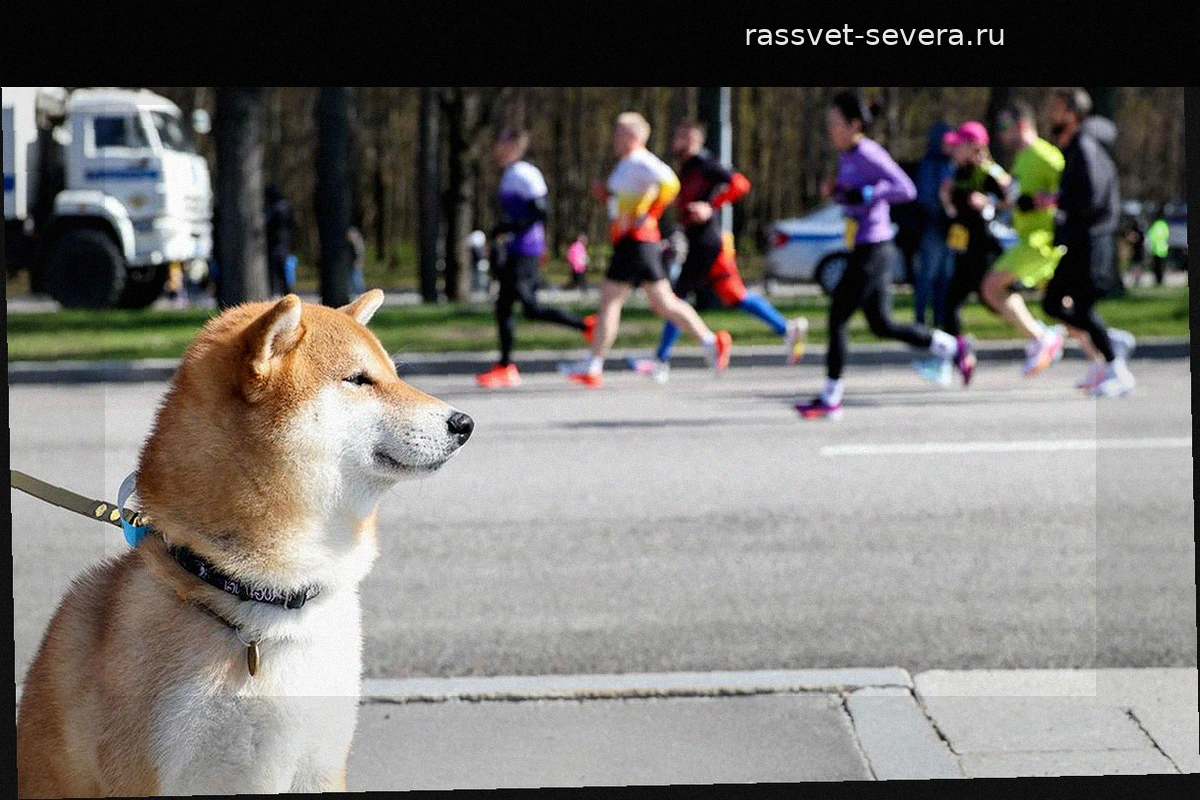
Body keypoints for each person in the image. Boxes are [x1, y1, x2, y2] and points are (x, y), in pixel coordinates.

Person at [796, 92, 969, 420]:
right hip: (863, 246)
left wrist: (869, 193)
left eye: (835, 123)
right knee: (882, 324)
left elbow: (906, 188)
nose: (830, 129)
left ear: (854, 125)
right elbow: (854, 199)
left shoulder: (868, 152)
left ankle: (831, 398)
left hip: (873, 248)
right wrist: (838, 193)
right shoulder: (846, 155)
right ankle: (952, 346)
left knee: (837, 318)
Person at [626, 120, 807, 385]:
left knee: (675, 299)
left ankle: (661, 360)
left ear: (694, 139)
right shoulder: (685, 167)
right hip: (706, 244)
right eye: (676, 134)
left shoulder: (705, 163)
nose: (675, 139)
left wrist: (712, 206)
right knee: (735, 296)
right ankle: (788, 330)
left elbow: (740, 183)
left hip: (707, 243)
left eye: (681, 135)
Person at [558, 112, 731, 388]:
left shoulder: (641, 160)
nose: (614, 138)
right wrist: (608, 197)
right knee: (663, 303)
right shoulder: (627, 164)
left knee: (611, 300)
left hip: (636, 242)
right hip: (639, 243)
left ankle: (594, 364)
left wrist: (650, 211)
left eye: (619, 133)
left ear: (634, 136)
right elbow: (626, 201)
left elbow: (670, 183)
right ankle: (711, 342)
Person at [476, 127, 596, 389]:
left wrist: (508, 228)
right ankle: (505, 366)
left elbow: (541, 211)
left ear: (512, 145)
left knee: (528, 307)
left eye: (500, 142)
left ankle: (586, 326)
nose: (495, 148)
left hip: (525, 249)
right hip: (516, 249)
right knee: (505, 306)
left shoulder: (524, 173)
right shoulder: (511, 173)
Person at [1043, 88, 1135, 397]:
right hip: (1077, 239)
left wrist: (1057, 201)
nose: (1050, 115)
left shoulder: (1084, 146)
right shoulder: (1073, 147)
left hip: (1092, 240)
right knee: (1052, 303)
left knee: (1081, 307)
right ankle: (1108, 340)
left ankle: (1117, 372)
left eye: (1055, 108)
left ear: (1071, 113)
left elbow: (1092, 197)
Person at [912, 121, 956, 329]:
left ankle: (940, 321)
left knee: (945, 278)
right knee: (927, 277)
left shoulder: (952, 164)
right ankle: (920, 321)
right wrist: (942, 208)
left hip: (950, 230)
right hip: (933, 227)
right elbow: (924, 197)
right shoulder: (929, 165)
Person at [264, 183, 296, 297]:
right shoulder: (286, 207)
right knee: (282, 273)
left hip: (277, 244)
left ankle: (276, 293)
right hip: (284, 244)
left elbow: (269, 226)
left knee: (275, 272)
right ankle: (286, 293)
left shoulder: (275, 209)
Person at [1145, 211, 1170, 286]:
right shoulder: (1164, 225)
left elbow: (1151, 236)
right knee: (1162, 266)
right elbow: (1167, 235)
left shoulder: (1154, 225)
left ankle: (1158, 280)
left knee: (1156, 266)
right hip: (1163, 248)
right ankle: (1161, 280)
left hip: (1156, 249)